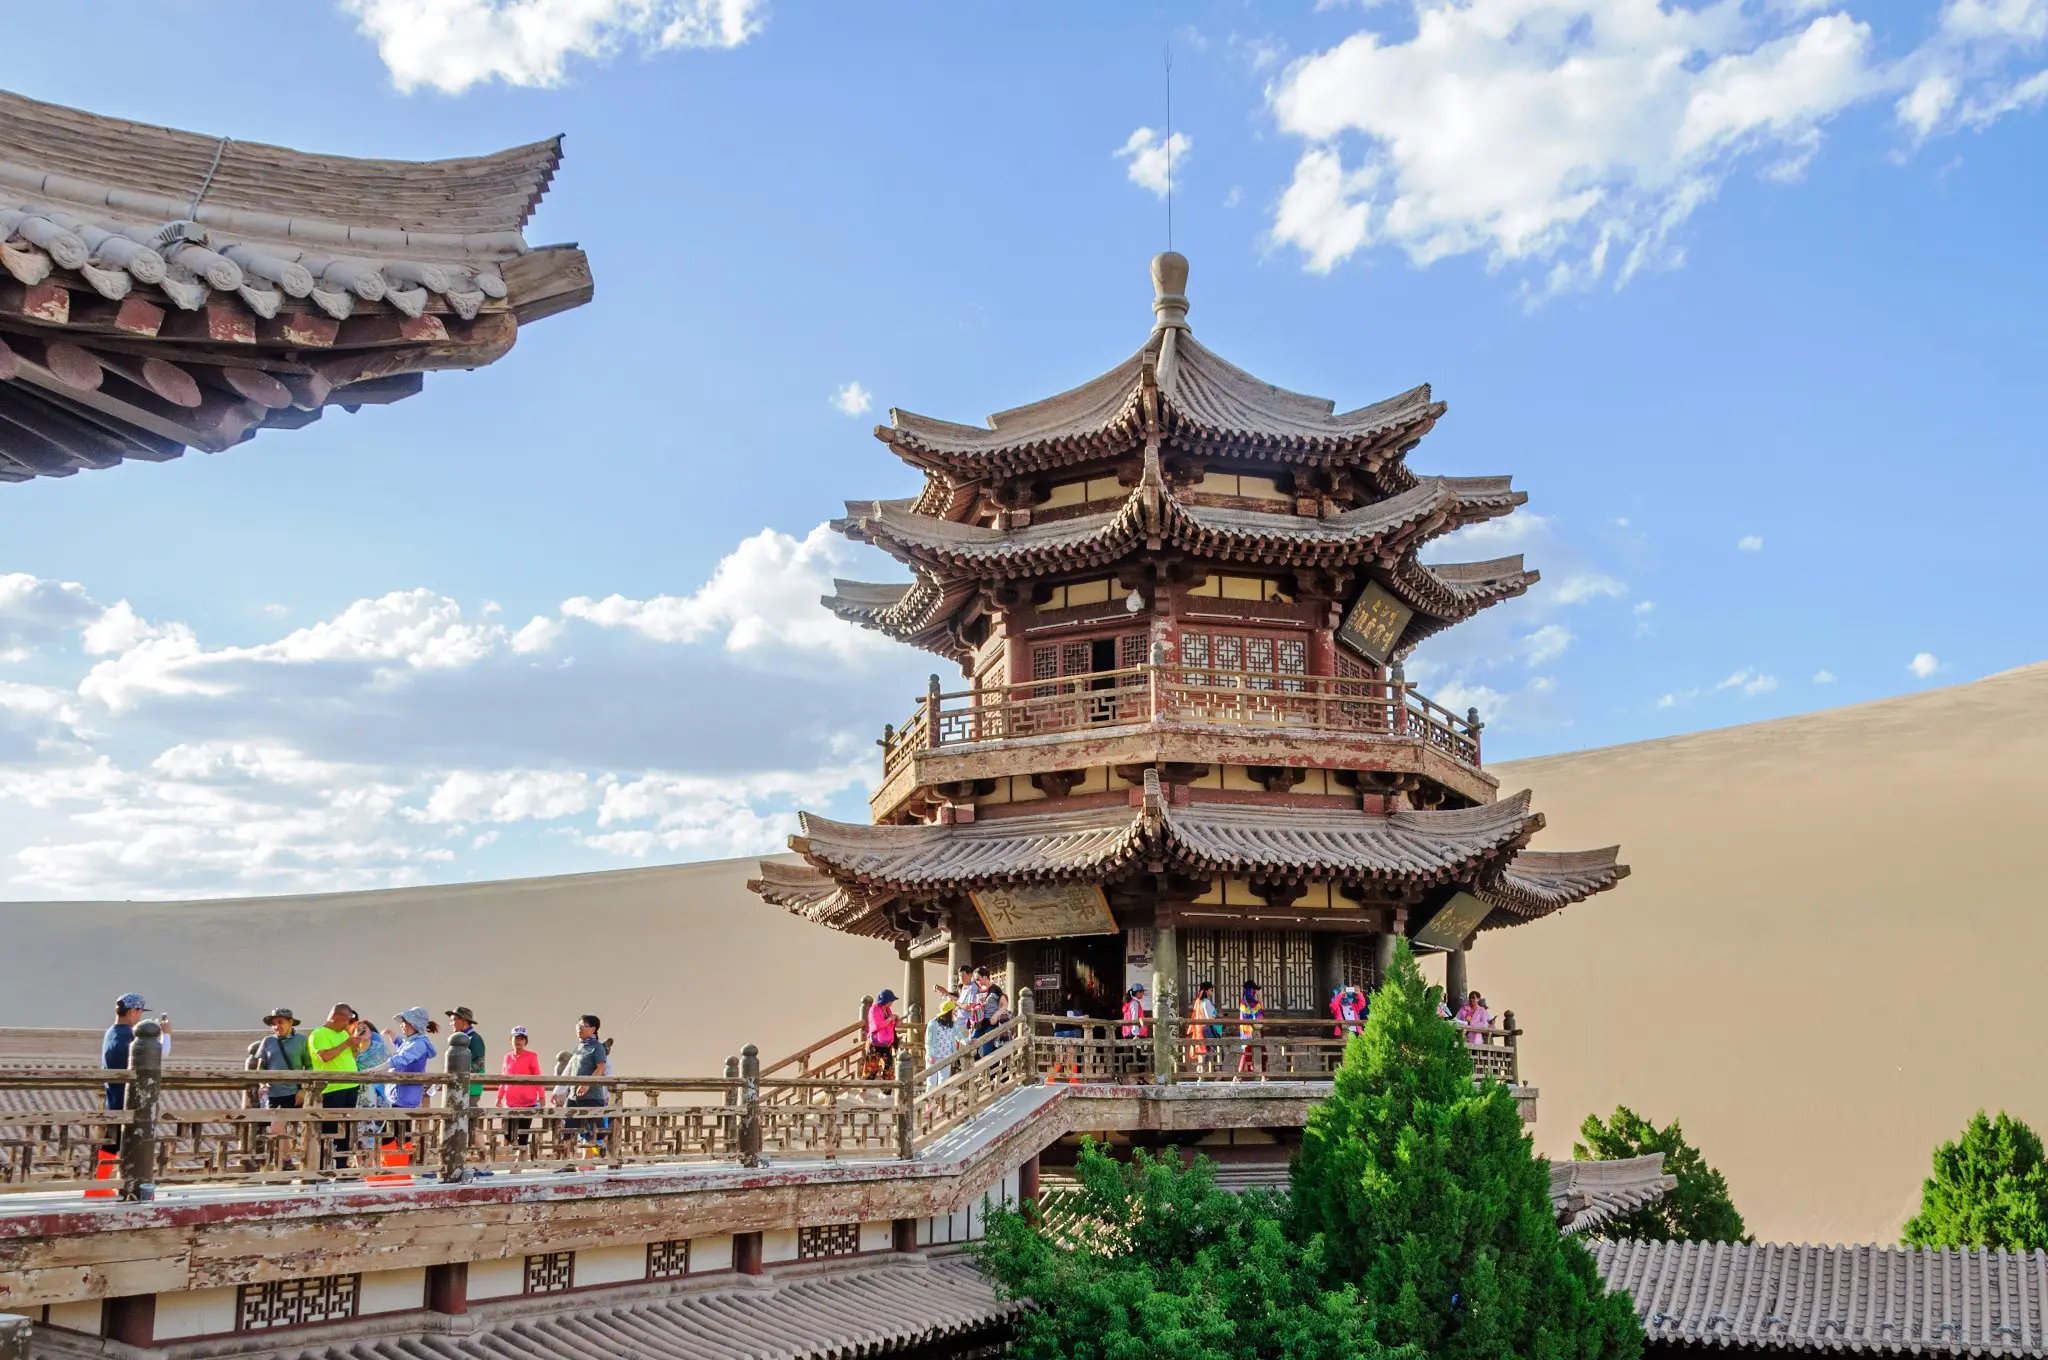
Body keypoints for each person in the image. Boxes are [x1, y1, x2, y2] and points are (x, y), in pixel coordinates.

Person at [306, 1003, 361, 1169]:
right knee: (329, 1129)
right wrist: (347, 1043)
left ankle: (342, 1165)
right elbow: (325, 1056)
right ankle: (323, 1167)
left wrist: (354, 1047)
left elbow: (349, 1056)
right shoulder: (319, 1033)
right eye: (345, 1020)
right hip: (332, 1088)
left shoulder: (343, 1033)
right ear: (335, 1018)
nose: (347, 1024)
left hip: (350, 1086)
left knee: (346, 1129)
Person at [377, 1009, 438, 1150]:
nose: (402, 1025)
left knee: (397, 1134)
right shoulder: (413, 1041)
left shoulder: (419, 1044)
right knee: (395, 1132)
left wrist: (376, 1069)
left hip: (405, 1095)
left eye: (404, 1022)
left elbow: (402, 1058)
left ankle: (398, 1162)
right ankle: (395, 1161)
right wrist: (394, 1038)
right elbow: (404, 1049)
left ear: (414, 1024)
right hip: (400, 1094)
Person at [562, 1015, 610, 1152]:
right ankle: (568, 1159)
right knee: (567, 1129)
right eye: (578, 1026)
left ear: (593, 1029)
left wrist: (587, 1084)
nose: (579, 1028)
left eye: (583, 1026)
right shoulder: (578, 1047)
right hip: (573, 1096)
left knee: (598, 1131)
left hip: (591, 1096)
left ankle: (610, 1155)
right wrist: (561, 1091)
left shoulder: (597, 1047)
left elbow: (600, 1068)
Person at [500, 1026, 546, 1149]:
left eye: (521, 1038)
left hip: (527, 1101)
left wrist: (542, 1096)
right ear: (510, 1040)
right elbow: (503, 1077)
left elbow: (538, 1076)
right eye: (516, 1038)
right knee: (507, 1132)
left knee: (523, 1134)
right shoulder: (507, 1057)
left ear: (526, 1041)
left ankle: (521, 1157)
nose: (518, 1041)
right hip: (510, 1101)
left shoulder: (531, 1056)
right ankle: (517, 1150)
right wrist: (499, 1097)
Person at [256, 1007, 311, 1111]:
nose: (276, 1026)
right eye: (273, 1023)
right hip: (271, 1094)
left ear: (291, 1022)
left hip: (293, 1093)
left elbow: (310, 1066)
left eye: (280, 1022)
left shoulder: (301, 1040)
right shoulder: (267, 1041)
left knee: (289, 1121)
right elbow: (261, 1067)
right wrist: (262, 1084)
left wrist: (304, 1090)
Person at [445, 1006, 485, 1104]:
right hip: (459, 1087)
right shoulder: (461, 1038)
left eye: (454, 1020)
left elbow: (479, 1064)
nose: (451, 1023)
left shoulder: (474, 1039)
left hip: (470, 1088)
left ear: (464, 1021)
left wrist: (459, 1073)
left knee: (469, 1112)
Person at [923, 1001, 960, 1092]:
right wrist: (931, 1055)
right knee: (931, 1082)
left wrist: (968, 1041)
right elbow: (929, 1041)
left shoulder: (952, 1025)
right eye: (953, 1010)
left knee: (943, 1082)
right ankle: (929, 1100)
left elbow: (959, 1037)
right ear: (949, 1012)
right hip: (934, 1056)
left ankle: (941, 1100)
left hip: (946, 1056)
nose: (954, 1012)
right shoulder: (933, 1023)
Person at [864, 990, 899, 1080]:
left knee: (888, 1069)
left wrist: (896, 1021)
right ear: (886, 1001)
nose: (892, 1003)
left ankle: (887, 1088)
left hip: (886, 1043)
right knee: (871, 1070)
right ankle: (865, 1088)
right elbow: (876, 1025)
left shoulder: (887, 1010)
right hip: (875, 1042)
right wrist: (890, 1019)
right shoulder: (874, 1009)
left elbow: (890, 1025)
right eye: (891, 1000)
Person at [1187, 980, 1219, 1073]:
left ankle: (1201, 1071)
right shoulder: (1206, 1002)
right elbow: (1209, 1018)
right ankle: (1217, 1071)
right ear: (1207, 991)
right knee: (1217, 1049)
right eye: (1211, 990)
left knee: (1206, 1050)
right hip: (1208, 1028)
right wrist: (1216, 1016)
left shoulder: (1199, 1001)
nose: (1212, 992)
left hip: (1201, 1029)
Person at [1237, 981, 1266, 1075]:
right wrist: (1259, 996)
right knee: (1258, 1053)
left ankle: (1239, 1075)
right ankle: (1261, 1075)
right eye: (1254, 989)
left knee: (1247, 1053)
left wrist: (1258, 995)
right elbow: (1261, 1012)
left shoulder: (1243, 1002)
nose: (1255, 991)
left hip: (1246, 1032)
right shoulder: (1254, 1004)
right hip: (1254, 1032)